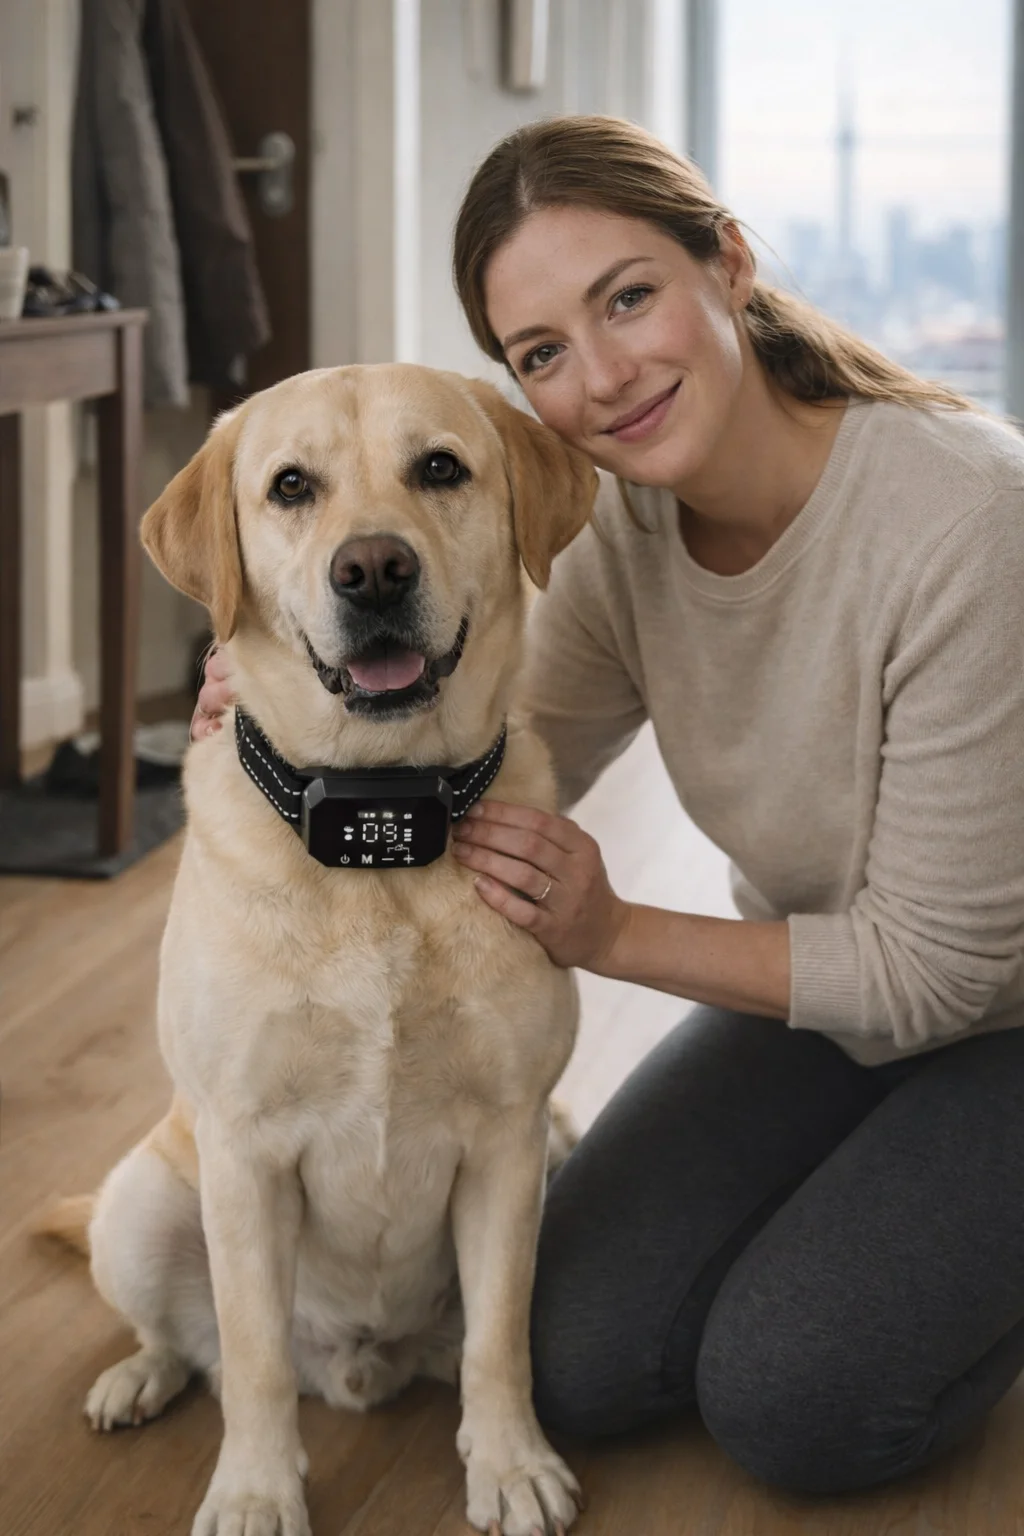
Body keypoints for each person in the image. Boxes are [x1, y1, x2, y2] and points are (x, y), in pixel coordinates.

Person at [192, 116, 1024, 1498]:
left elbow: (942, 972)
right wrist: (282, 721)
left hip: (1000, 1014)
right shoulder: (622, 524)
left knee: (796, 1402)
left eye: (628, 297)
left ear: (730, 264)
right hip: (822, 996)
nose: (606, 374)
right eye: (542, 353)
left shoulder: (968, 527)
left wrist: (614, 930)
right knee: (575, 1359)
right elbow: (509, 756)